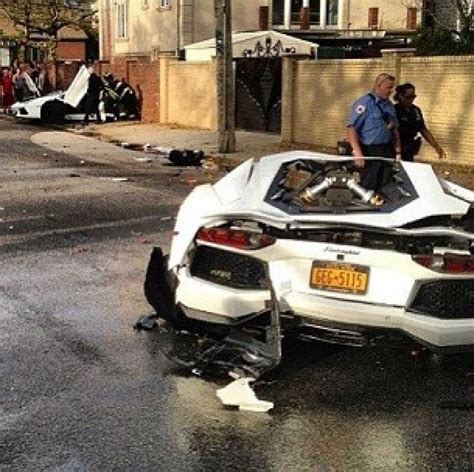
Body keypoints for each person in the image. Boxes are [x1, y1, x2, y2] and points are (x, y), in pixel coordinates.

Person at [346, 73, 402, 190]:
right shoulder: (364, 103)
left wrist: (398, 152)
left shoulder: (389, 106)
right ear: (378, 85)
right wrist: (357, 153)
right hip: (369, 150)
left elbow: (394, 130)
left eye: (392, 88)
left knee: (386, 185)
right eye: (388, 88)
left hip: (386, 149)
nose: (391, 91)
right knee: (369, 185)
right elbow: (352, 128)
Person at [394, 83, 446, 161]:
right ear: (401, 96)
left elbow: (422, 129)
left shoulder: (415, 110)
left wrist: (436, 146)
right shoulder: (395, 110)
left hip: (410, 148)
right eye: (408, 97)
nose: (411, 100)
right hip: (398, 147)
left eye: (413, 97)